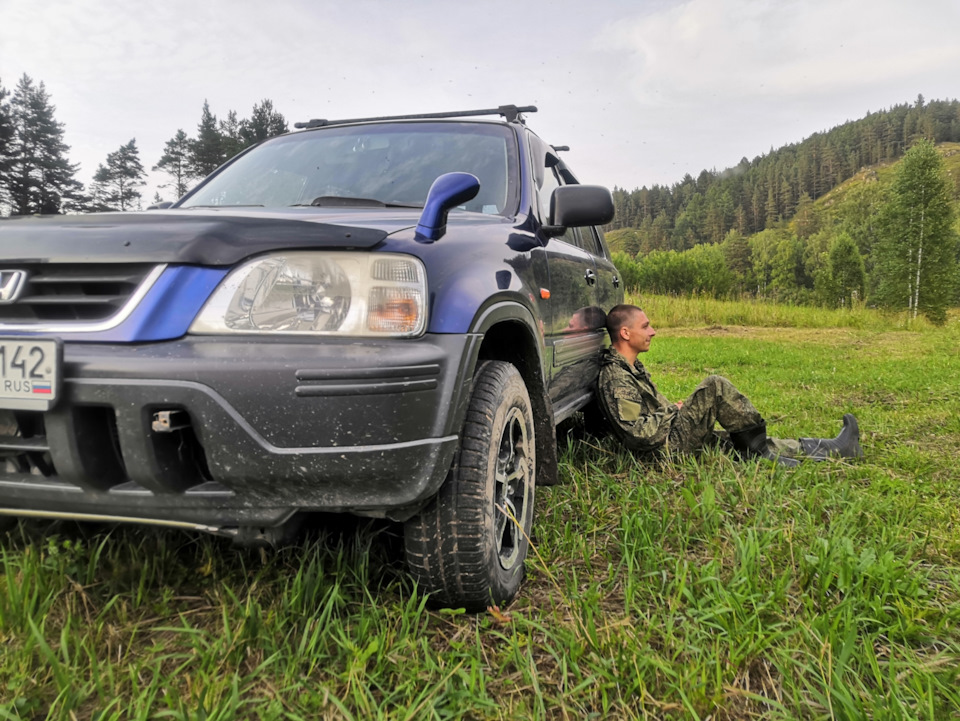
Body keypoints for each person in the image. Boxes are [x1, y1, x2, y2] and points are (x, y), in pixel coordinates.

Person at [596, 304, 862, 466]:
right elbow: (638, 434)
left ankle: (832, 449)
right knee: (714, 386)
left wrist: (674, 410)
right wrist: (674, 411)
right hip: (663, 451)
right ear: (626, 333)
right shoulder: (616, 377)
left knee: (737, 442)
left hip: (669, 438)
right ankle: (759, 456)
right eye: (646, 326)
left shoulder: (632, 368)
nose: (652, 331)